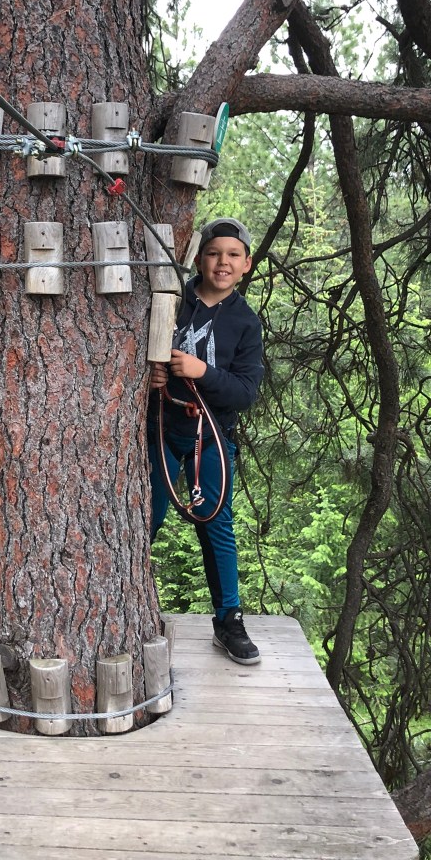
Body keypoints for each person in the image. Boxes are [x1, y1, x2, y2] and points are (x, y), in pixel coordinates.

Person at [148, 217, 264, 665]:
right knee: (145, 515)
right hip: (159, 428)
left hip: (211, 434)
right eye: (214, 253)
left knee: (214, 522)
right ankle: (121, 596)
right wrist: (151, 375)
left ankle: (228, 619)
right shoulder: (172, 301)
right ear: (199, 259)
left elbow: (245, 392)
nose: (223, 262)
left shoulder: (245, 323)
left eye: (233, 255)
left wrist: (202, 372)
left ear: (247, 264)